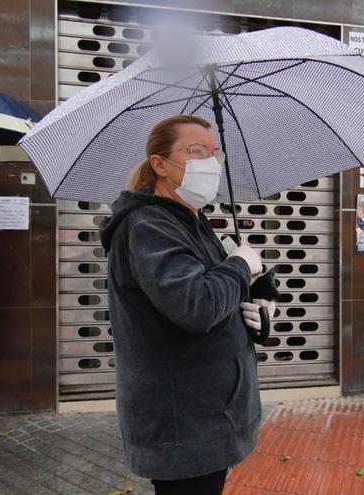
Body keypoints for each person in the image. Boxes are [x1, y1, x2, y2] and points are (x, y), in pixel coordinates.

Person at [99, 115, 267, 495]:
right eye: (195, 152)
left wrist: (252, 318)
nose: (210, 163)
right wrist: (240, 265)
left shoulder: (193, 220)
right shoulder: (149, 226)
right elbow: (197, 306)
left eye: (214, 153)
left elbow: (215, 297)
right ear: (159, 164)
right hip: (183, 424)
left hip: (209, 416)